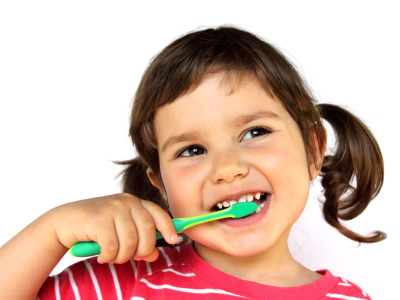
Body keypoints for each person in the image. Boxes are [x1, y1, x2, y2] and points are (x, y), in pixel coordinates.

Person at [0, 26, 386, 300]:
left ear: (313, 149)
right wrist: (51, 230)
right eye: (192, 150)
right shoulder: (116, 284)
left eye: (255, 132)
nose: (227, 168)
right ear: (160, 184)